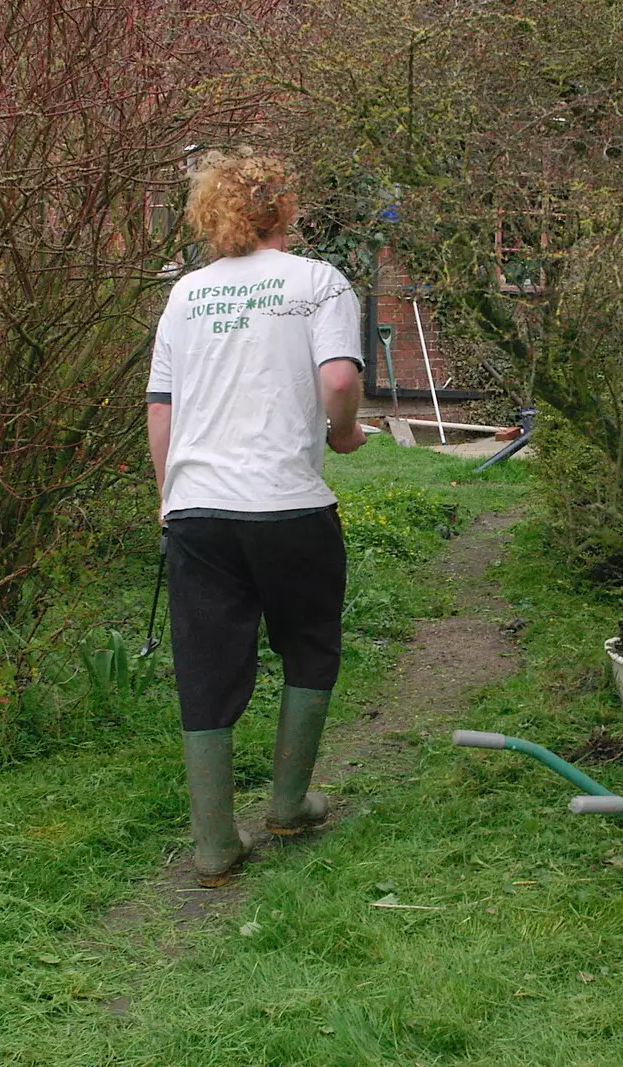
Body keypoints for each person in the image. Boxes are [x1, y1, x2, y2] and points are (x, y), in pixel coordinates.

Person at [146, 153, 367, 887]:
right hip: (287, 506)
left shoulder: (185, 295)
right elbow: (337, 378)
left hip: (198, 510)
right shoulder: (317, 283)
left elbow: (161, 409)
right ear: (286, 209)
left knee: (206, 666)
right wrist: (343, 432)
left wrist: (167, 494)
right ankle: (288, 803)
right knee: (308, 645)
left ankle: (214, 845)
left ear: (212, 215)